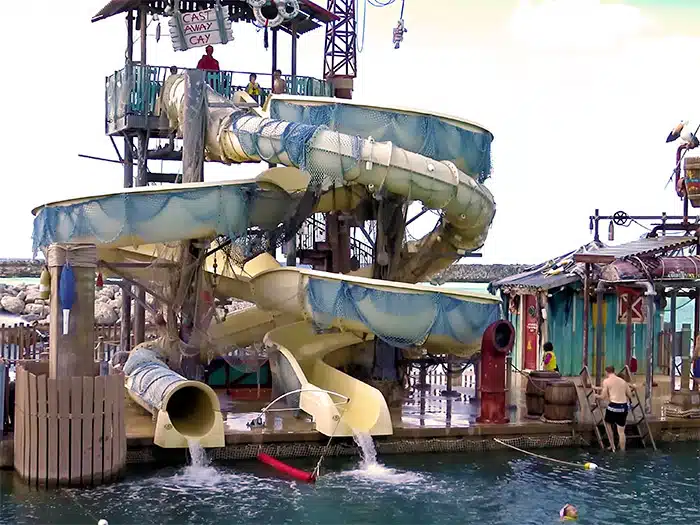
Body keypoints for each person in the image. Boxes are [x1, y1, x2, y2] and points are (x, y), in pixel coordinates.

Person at [595, 365, 634, 451]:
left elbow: (603, 396)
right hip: (623, 407)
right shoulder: (623, 382)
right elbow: (630, 395)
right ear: (614, 371)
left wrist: (597, 395)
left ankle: (612, 447)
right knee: (621, 432)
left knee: (608, 425)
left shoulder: (606, 381)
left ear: (606, 372)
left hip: (613, 407)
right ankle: (622, 451)